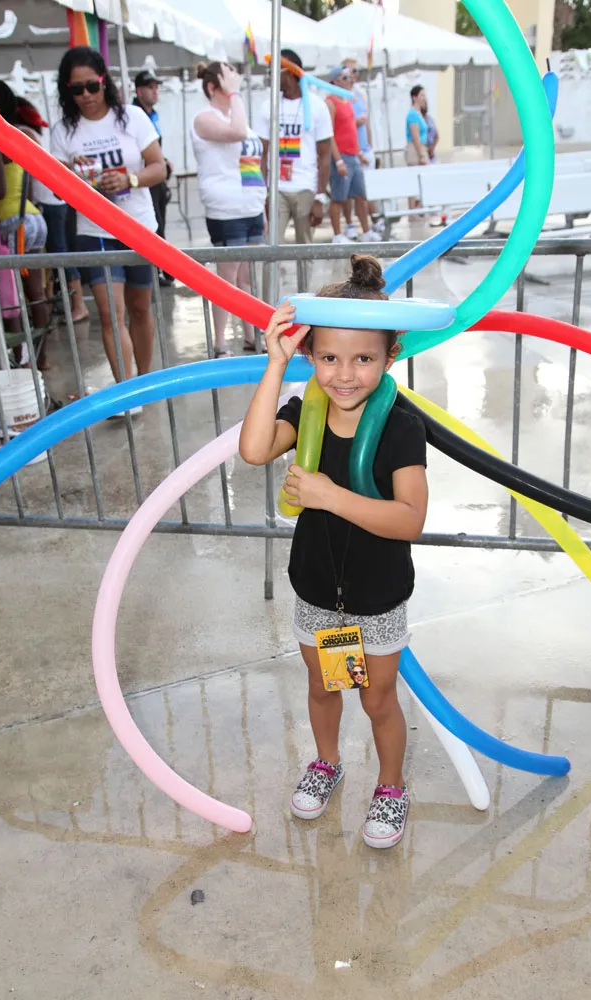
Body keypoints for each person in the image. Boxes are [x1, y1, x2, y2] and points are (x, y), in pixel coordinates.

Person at [239, 255, 428, 849]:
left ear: (390, 356)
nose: (345, 374)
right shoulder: (306, 414)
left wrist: (327, 494)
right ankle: (327, 762)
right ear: (310, 355)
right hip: (320, 591)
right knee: (325, 687)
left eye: (363, 359)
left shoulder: (401, 426)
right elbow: (254, 450)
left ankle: (391, 787)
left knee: (377, 698)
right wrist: (275, 364)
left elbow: (410, 520)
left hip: (377, 598)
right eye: (328, 358)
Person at [51, 46, 166, 392]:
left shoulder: (132, 117)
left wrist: (129, 179)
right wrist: (76, 179)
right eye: (77, 89)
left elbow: (159, 167)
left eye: (92, 86)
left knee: (140, 309)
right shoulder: (63, 131)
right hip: (94, 231)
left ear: (105, 82)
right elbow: (58, 188)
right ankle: (126, 392)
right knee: (110, 314)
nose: (86, 95)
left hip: (138, 226)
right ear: (67, 90)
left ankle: (144, 381)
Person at [192, 61, 267, 358]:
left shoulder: (239, 117)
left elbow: (252, 164)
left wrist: (261, 206)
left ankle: (251, 336)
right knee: (227, 279)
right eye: (229, 80)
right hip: (226, 209)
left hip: (250, 207)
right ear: (213, 87)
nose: (235, 84)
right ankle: (220, 343)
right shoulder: (204, 119)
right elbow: (236, 133)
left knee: (247, 277)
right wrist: (235, 94)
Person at [0, 81, 51, 354]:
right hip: (33, 220)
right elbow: (28, 189)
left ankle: (21, 357)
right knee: (37, 292)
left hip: (9, 223)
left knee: (12, 295)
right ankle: (42, 356)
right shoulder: (22, 135)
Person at [256, 48, 332, 281]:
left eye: (274, 71)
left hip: (305, 188)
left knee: (304, 252)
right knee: (271, 250)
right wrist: (263, 192)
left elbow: (325, 155)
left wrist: (320, 197)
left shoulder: (316, 106)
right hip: (277, 189)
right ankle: (268, 300)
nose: (270, 76)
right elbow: (262, 153)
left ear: (289, 73)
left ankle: (303, 298)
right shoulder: (268, 106)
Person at [16, 98, 89, 324]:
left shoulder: (21, 133)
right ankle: (53, 302)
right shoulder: (33, 133)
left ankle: (78, 305)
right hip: (51, 201)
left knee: (59, 253)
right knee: (53, 254)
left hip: (49, 202)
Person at [325, 66, 380, 245]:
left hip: (353, 155)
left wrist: (358, 151)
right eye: (345, 77)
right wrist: (338, 160)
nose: (350, 79)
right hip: (341, 155)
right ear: (335, 81)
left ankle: (366, 231)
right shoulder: (330, 102)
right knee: (339, 197)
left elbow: (351, 130)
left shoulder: (347, 100)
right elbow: (330, 134)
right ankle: (337, 234)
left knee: (360, 195)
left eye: (350, 77)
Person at [133, 69, 174, 287]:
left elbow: (153, 149)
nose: (155, 91)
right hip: (142, 179)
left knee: (161, 223)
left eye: (156, 87)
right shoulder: (134, 115)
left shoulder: (152, 115)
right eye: (150, 87)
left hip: (156, 177)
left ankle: (163, 268)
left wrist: (164, 161)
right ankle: (158, 269)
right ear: (139, 91)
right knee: (153, 225)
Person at [341, 57, 383, 240]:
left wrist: (370, 147)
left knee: (364, 191)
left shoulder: (359, 93)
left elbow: (366, 122)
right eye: (351, 71)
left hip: (364, 148)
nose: (354, 75)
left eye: (356, 71)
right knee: (348, 192)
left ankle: (371, 223)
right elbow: (345, 126)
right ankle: (350, 224)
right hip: (350, 150)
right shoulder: (341, 96)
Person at [405, 85, 429, 211]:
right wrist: (421, 155)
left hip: (421, 147)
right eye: (421, 95)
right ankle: (413, 211)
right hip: (415, 149)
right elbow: (415, 136)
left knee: (423, 182)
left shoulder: (420, 114)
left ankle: (419, 209)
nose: (424, 98)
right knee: (414, 181)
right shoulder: (412, 114)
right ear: (415, 97)